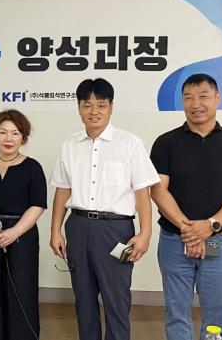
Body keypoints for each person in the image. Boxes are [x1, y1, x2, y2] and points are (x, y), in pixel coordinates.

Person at [49, 78, 159, 340]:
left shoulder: (130, 143)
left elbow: (142, 192)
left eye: (101, 104)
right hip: (78, 227)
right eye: (87, 105)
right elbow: (62, 190)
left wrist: (145, 233)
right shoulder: (69, 145)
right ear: (79, 108)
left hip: (116, 231)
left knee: (116, 300)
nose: (94, 111)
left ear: (111, 107)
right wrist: (55, 231)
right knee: (83, 299)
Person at [150, 74, 222, 340]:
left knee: (217, 314)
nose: (196, 103)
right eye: (188, 97)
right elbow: (158, 190)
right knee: (176, 312)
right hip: (175, 240)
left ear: (217, 99)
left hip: (217, 239)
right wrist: (188, 229)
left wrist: (209, 226)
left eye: (203, 96)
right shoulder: (165, 143)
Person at [0, 109, 46, 340]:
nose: (8, 138)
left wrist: (14, 232)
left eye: (15, 133)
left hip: (22, 239)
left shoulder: (33, 167)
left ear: (23, 137)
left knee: (21, 294)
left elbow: (38, 205)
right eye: (3, 132)